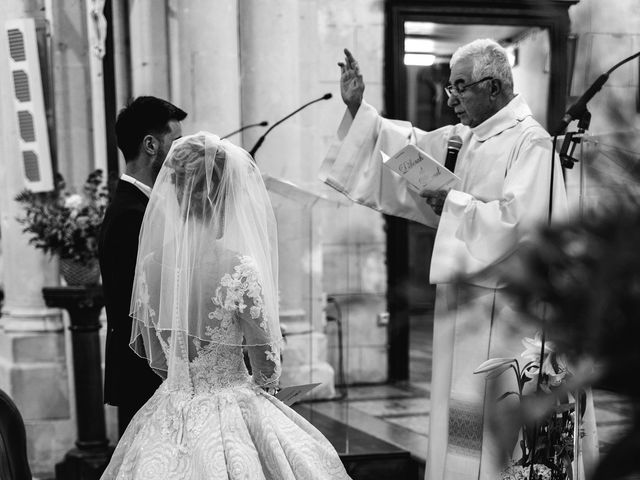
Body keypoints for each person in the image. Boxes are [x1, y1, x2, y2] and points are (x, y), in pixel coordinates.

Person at [319, 40, 594, 479]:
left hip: (505, 313)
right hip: (464, 304)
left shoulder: (531, 143)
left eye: (460, 87)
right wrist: (358, 108)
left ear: (494, 86)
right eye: (450, 86)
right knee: (461, 410)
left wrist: (455, 202)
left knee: (494, 418)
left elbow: (520, 226)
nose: (450, 98)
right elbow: (401, 145)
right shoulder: (465, 138)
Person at [100, 132, 351, 480]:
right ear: (226, 197)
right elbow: (266, 364)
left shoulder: (150, 266)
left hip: (168, 406)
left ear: (174, 194)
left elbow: (155, 353)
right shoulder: (238, 268)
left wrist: (187, 381)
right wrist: (258, 383)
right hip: (230, 407)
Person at [98, 96, 187, 435]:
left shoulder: (140, 205)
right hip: (145, 372)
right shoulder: (131, 215)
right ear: (151, 144)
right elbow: (146, 306)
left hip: (151, 367)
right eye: (175, 143)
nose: (180, 154)